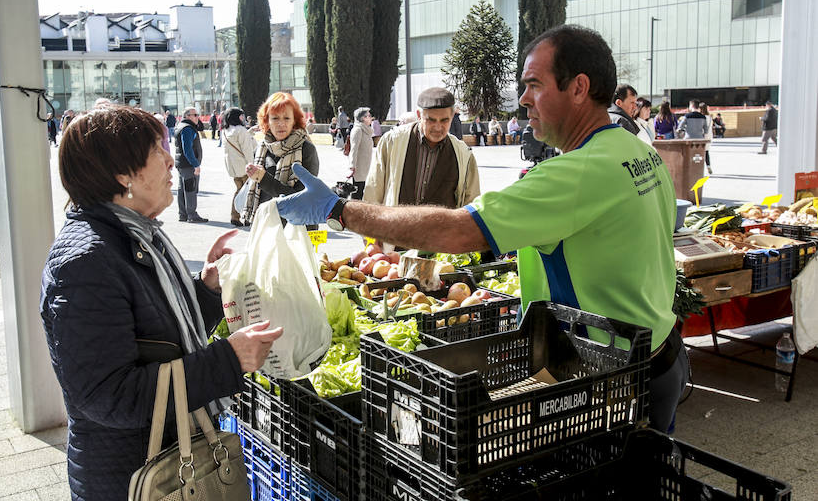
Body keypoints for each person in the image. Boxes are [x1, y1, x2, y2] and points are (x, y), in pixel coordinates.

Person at [275, 25, 686, 434]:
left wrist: (340, 209)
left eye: (534, 85)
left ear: (579, 87)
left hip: (607, 379)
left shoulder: (576, 174)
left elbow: (458, 230)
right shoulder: (639, 153)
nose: (523, 99)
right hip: (660, 356)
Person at [40, 106, 282, 500]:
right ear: (123, 174)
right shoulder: (85, 263)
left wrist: (205, 289)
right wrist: (228, 360)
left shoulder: (137, 237)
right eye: (158, 150)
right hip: (130, 477)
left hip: (168, 462)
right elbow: (107, 395)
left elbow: (156, 335)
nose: (172, 160)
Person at [364, 87, 480, 209]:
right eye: (431, 120)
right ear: (419, 115)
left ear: (452, 117)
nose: (438, 127)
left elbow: (471, 202)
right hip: (397, 226)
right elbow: (373, 191)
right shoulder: (392, 142)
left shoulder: (463, 154)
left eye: (444, 120)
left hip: (442, 227)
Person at [242, 92, 319, 225]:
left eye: (287, 118)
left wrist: (264, 179)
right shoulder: (261, 150)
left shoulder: (306, 150)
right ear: (267, 121)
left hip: (296, 229)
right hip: (266, 225)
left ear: (294, 120)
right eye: (275, 118)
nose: (281, 124)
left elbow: (303, 199)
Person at [222, 108, 257, 227]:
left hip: (233, 167)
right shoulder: (240, 130)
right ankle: (247, 217)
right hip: (244, 166)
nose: (243, 118)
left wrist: (250, 132)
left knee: (239, 191)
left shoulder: (226, 130)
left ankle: (235, 215)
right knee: (249, 192)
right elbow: (247, 149)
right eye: (241, 116)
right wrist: (252, 165)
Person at [175, 106, 208, 223]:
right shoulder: (187, 128)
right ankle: (192, 215)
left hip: (182, 163)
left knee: (182, 188)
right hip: (187, 164)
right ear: (187, 116)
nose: (197, 117)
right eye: (195, 115)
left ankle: (183, 214)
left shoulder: (182, 126)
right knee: (190, 188)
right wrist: (195, 164)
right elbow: (187, 149)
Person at [349, 107, 374, 200]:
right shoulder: (358, 130)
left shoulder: (366, 130)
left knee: (363, 191)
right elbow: (354, 149)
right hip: (359, 167)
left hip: (366, 166)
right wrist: (352, 166)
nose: (371, 118)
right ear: (363, 118)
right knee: (357, 192)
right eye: (369, 116)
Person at [698, 102, 713, 174]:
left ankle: (699, 167)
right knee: (706, 152)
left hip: (701, 136)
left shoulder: (700, 117)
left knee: (699, 152)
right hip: (709, 136)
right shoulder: (709, 117)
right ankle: (708, 166)